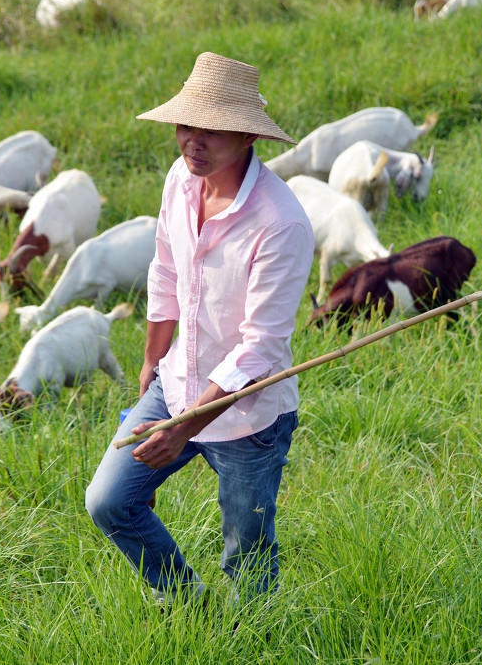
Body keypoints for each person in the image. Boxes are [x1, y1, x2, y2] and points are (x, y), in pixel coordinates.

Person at [85, 51, 315, 603]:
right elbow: (164, 270)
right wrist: (150, 362)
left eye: (212, 130)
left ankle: (246, 637)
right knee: (110, 501)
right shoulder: (180, 181)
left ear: (247, 137)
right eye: (187, 125)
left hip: (249, 413)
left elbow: (259, 347)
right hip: (175, 381)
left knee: (247, 547)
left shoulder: (280, 222)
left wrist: (184, 427)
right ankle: (187, 603)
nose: (194, 140)